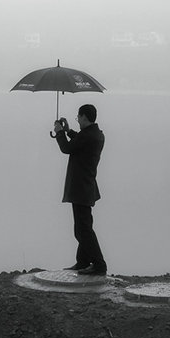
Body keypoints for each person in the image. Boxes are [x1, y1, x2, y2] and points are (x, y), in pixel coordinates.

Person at [53, 104, 106, 276]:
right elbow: (79, 141)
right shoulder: (95, 134)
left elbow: (67, 148)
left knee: (83, 229)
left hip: (81, 188)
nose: (78, 120)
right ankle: (83, 261)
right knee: (83, 227)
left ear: (84, 117)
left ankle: (99, 264)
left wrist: (59, 132)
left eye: (78, 117)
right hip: (86, 187)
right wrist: (68, 131)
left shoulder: (88, 136)